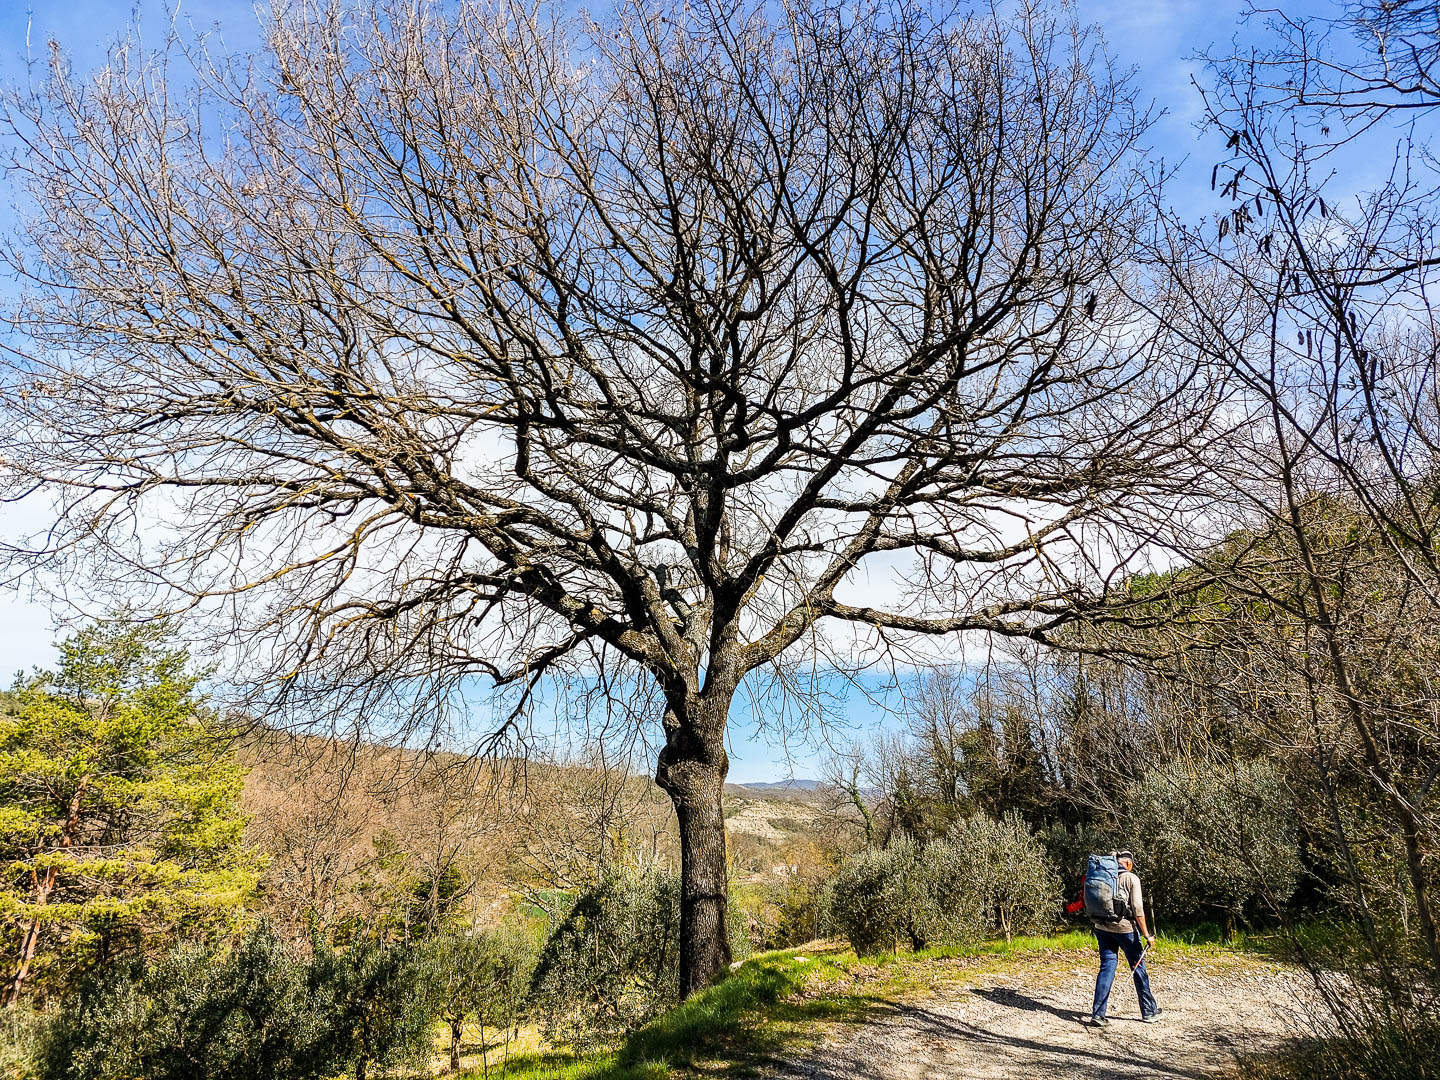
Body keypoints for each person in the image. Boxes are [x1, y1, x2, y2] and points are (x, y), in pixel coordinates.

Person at [1089, 849, 1162, 1027]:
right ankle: (1149, 1012)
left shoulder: (1103, 875)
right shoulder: (1131, 878)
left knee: (1106, 967)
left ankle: (1098, 1014)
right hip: (1125, 930)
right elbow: (1137, 908)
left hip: (1101, 927)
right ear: (1128, 863)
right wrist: (1147, 935)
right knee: (1138, 968)